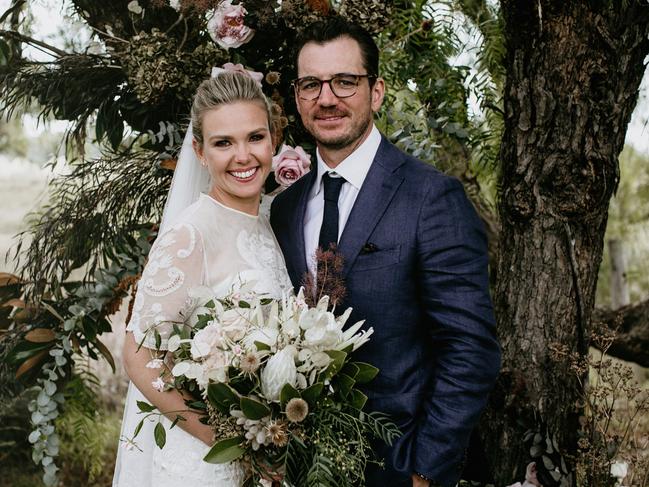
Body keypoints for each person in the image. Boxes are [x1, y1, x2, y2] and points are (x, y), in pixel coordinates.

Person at [270, 18, 501, 487]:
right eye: (311, 84)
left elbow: (470, 348)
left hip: (397, 465)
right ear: (297, 98)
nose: (327, 98)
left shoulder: (431, 197)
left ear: (376, 92)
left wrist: (425, 472)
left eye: (345, 82)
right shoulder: (284, 209)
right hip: (297, 467)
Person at [113, 71, 292, 487]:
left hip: (267, 447)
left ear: (273, 139)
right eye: (223, 143)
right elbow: (140, 355)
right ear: (199, 151)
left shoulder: (267, 219)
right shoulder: (189, 236)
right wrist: (226, 439)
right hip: (207, 461)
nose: (243, 156)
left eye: (255, 137)